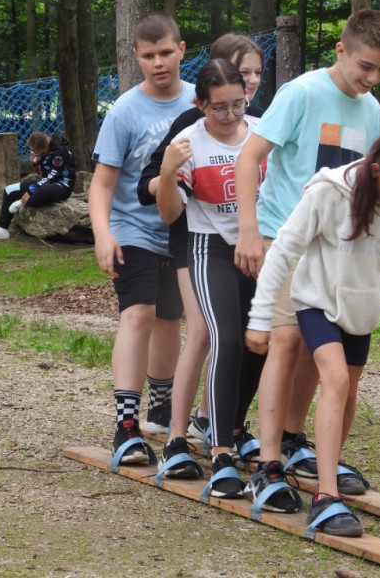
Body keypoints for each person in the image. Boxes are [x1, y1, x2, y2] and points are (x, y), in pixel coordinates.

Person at [246, 125, 380, 535]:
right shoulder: (329, 193)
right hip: (317, 301)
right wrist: (260, 317)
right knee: (335, 381)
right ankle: (326, 497)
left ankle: (325, 471)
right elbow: (284, 250)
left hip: (361, 310)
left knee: (348, 392)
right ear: (376, 170)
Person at [233, 9, 380, 512]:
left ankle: (291, 439)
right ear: (341, 51)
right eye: (365, 66)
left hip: (335, 247)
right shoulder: (302, 94)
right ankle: (266, 466)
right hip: (285, 234)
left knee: (315, 345)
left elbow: (367, 182)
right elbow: (249, 157)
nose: (373, 78)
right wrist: (249, 231)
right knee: (284, 341)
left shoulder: (371, 109)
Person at [137, 34, 265, 476]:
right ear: (200, 104)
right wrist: (168, 170)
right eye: (218, 108)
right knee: (221, 336)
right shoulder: (189, 140)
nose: (229, 116)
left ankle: (231, 428)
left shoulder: (261, 135)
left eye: (237, 105)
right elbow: (170, 212)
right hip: (206, 246)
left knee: (258, 341)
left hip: (257, 247)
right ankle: (215, 450)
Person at [88, 12, 196, 466]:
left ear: (182, 50)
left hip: (183, 232)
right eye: (149, 56)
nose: (158, 63)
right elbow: (102, 184)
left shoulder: (200, 101)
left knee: (170, 320)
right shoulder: (124, 111)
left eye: (166, 53)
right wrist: (103, 234)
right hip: (133, 230)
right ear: (135, 56)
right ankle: (126, 426)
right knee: (139, 315)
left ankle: (162, 408)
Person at [0, 132, 75, 240]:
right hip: (45, 183)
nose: (35, 154)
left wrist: (31, 190)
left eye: (37, 152)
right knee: (9, 190)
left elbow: (52, 176)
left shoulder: (60, 151)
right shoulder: (44, 152)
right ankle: (2, 229)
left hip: (62, 186)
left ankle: (22, 203)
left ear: (45, 146)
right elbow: (42, 175)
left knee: (44, 190)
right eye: (32, 152)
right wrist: (35, 163)